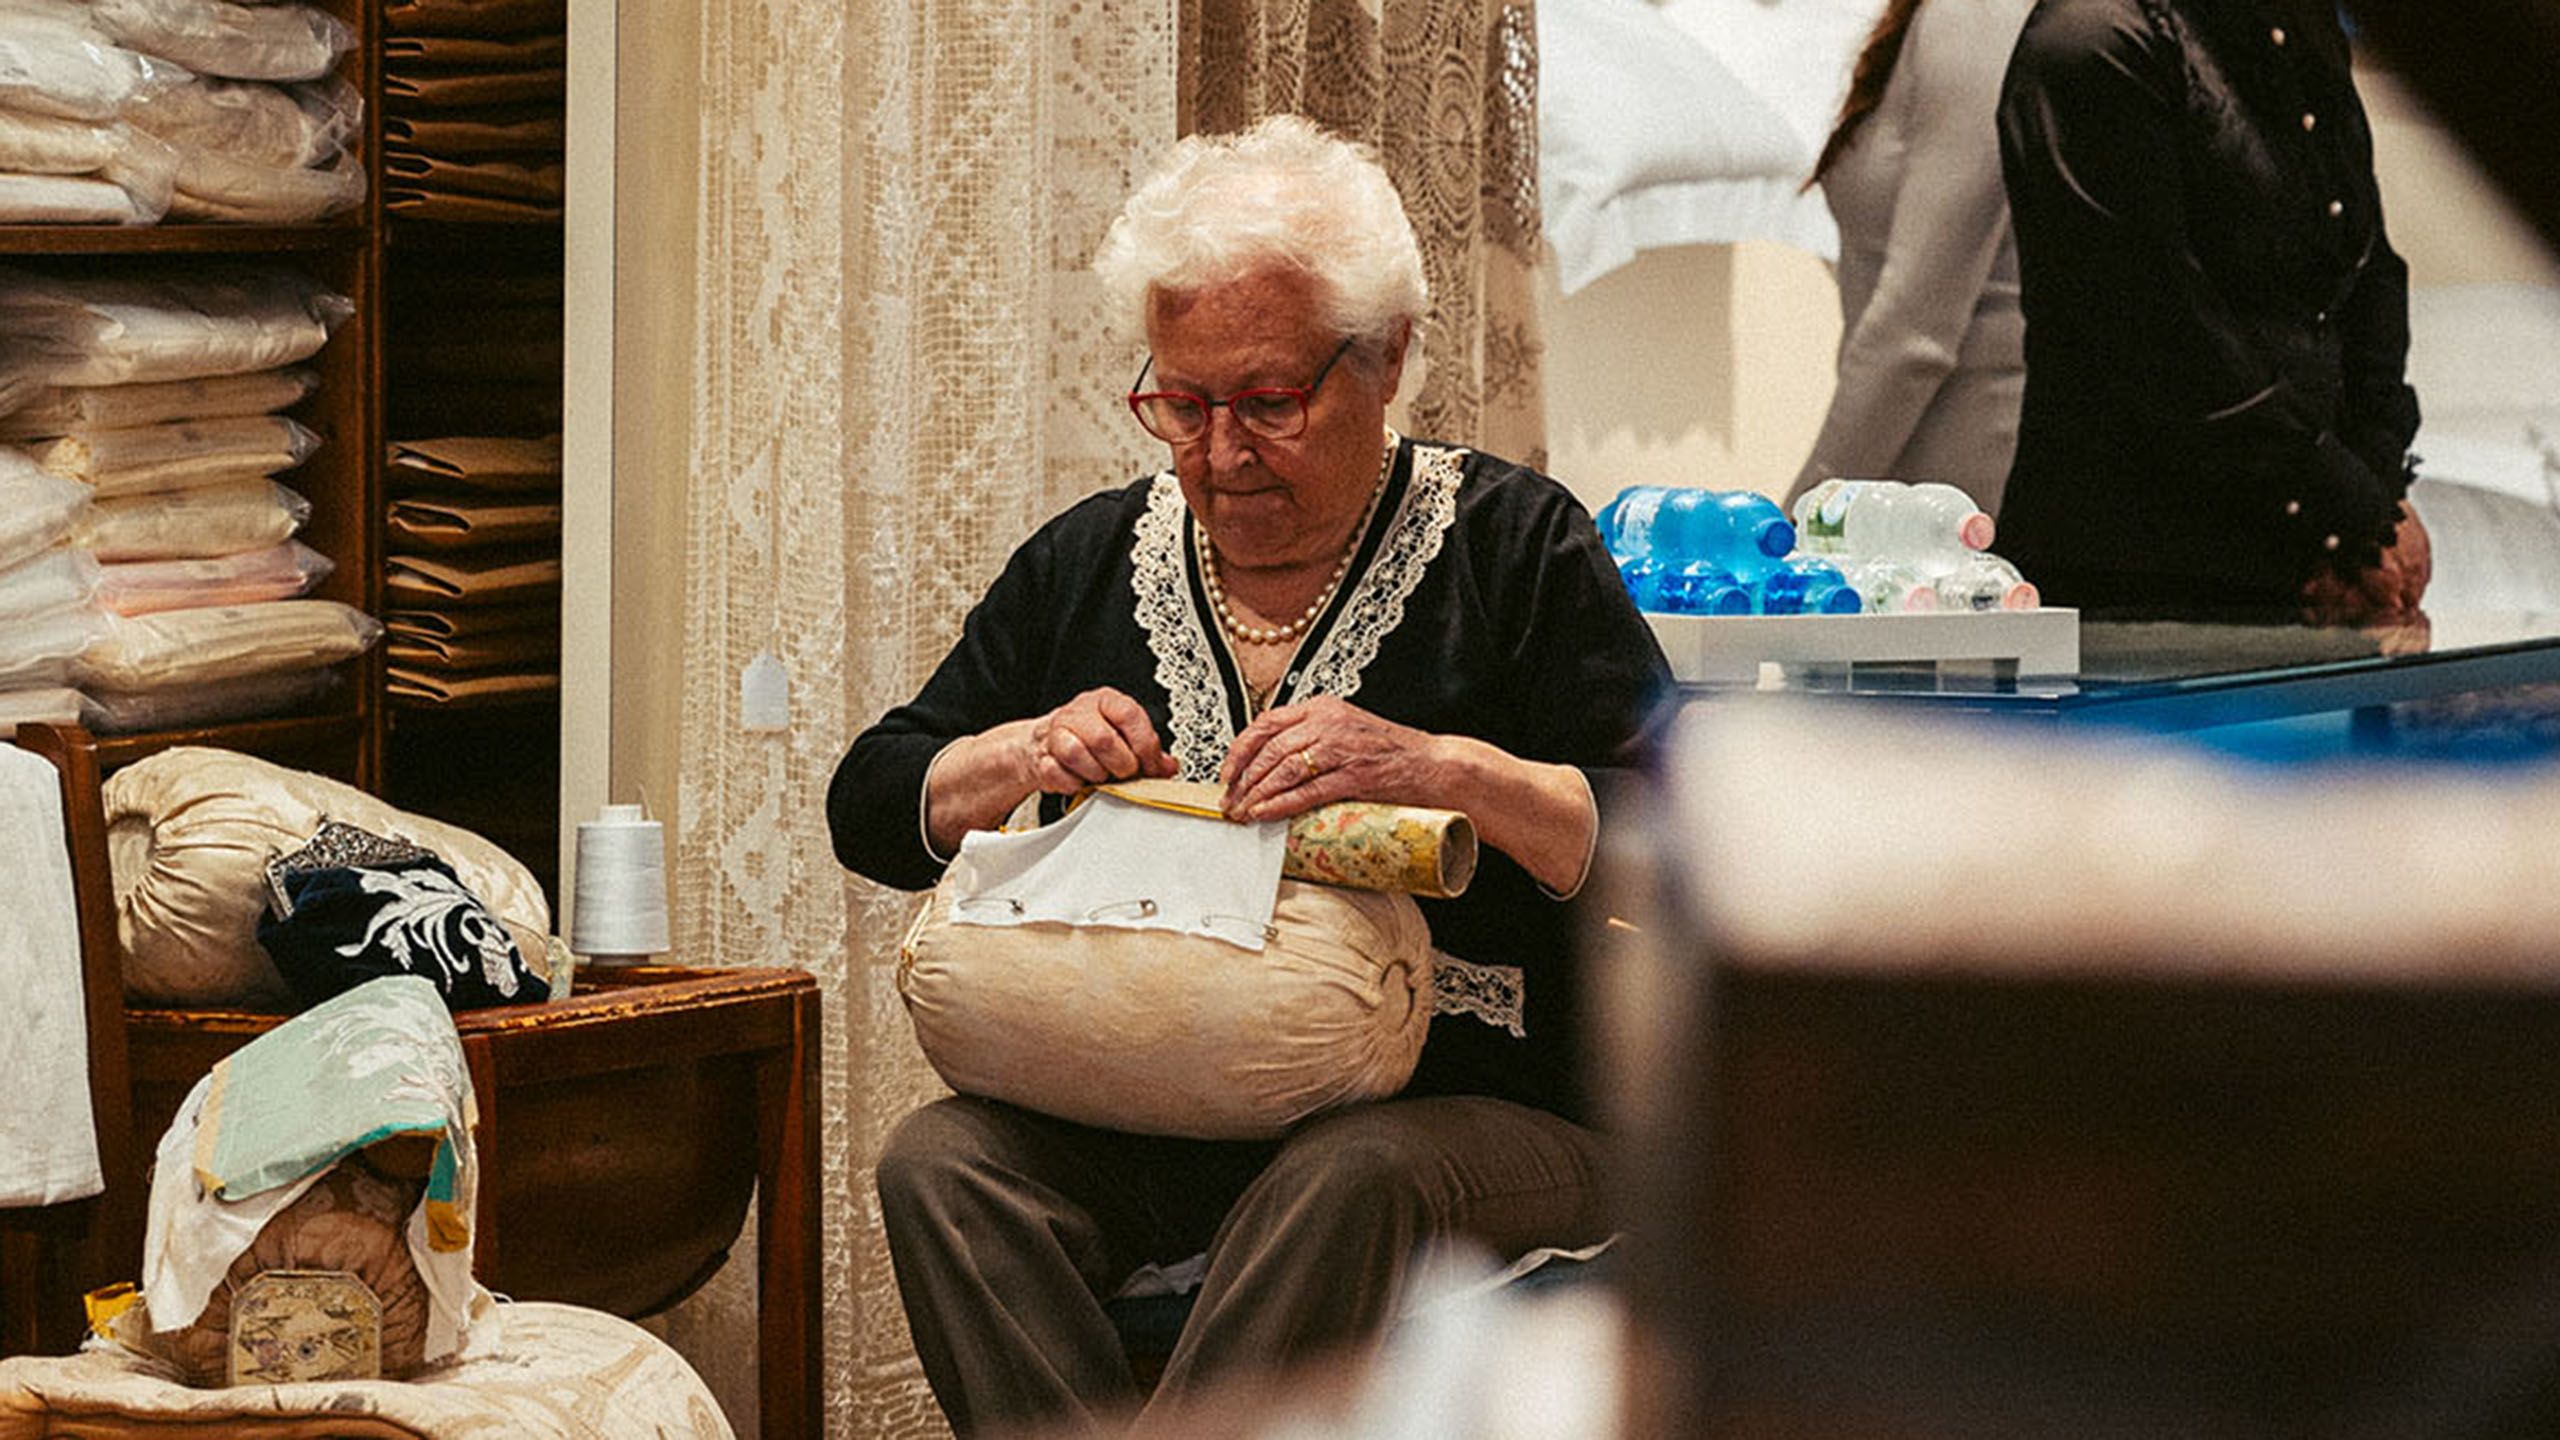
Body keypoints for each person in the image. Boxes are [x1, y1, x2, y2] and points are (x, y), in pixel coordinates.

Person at [827, 115, 1671, 1436]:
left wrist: (1440, 769)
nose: (1218, 454)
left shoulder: (1514, 550)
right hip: (1166, 1119)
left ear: (1385, 358)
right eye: (1181, 404)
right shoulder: (1093, 560)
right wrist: (1022, 754)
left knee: (1349, 1173)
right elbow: (872, 800)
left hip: (1491, 1118)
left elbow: (1675, 835)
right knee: (944, 1164)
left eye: (1269, 403)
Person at [1995, 0, 2431, 619]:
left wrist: (2379, 501)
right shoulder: (2092, 33)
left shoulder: (2300, 23)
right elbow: (2155, 336)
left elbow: (2366, 271)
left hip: (2312, 563)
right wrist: (2354, 521)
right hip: (2140, 579)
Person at [1789, 0, 2032, 516]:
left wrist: (1805, 516)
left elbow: (1914, 332)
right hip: (1920, 479)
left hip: (1957, 489)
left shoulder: (1978, 16)